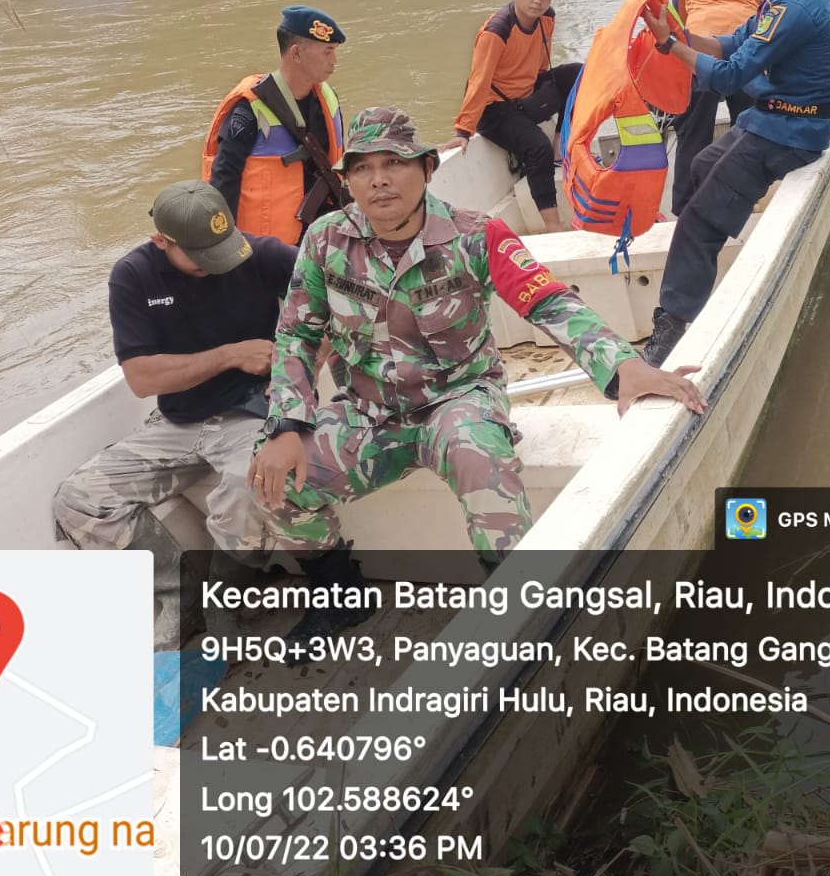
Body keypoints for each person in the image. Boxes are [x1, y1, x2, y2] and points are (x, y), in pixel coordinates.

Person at [249, 108, 704, 629]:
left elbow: (549, 302)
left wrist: (624, 367)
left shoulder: (476, 236)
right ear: (347, 179)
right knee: (272, 481)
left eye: (394, 163)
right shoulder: (325, 239)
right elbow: (297, 334)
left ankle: (517, 618)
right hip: (366, 410)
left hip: (459, 398)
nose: (378, 180)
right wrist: (286, 424)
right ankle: (340, 597)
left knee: (481, 464)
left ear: (425, 168)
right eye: (362, 168)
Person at [53, 183, 294, 647]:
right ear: (161, 241)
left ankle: (229, 604)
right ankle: (179, 596)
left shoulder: (261, 255)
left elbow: (328, 308)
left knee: (251, 484)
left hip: (251, 412)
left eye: (224, 249)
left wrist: (298, 373)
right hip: (176, 423)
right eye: (203, 255)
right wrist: (228, 355)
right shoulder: (133, 276)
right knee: (77, 498)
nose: (219, 263)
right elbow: (142, 379)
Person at [641, 0, 830, 367]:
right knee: (703, 164)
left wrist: (671, 46)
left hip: (790, 132)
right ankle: (709, 251)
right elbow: (732, 41)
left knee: (695, 220)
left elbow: (730, 75)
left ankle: (669, 326)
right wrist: (675, 32)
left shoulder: (794, 5)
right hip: (773, 118)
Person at [442, 0, 579, 231]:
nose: (538, 1)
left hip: (526, 97)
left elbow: (541, 61)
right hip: (496, 110)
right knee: (534, 146)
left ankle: (558, 148)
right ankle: (554, 225)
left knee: (579, 75)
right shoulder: (497, 30)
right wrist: (463, 131)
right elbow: (478, 82)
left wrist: (547, 88)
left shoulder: (547, 18)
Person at [202, 6, 346, 248]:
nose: (334, 62)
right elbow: (224, 181)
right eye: (327, 52)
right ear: (297, 54)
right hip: (265, 250)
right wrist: (224, 248)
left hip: (321, 236)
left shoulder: (328, 99)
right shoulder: (248, 110)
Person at [667, 0, 767, 216]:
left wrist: (671, 50)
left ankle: (684, 208)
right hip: (742, 42)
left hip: (699, 41)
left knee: (693, 129)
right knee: (748, 125)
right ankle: (746, 202)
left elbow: (680, 3)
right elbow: (765, 4)